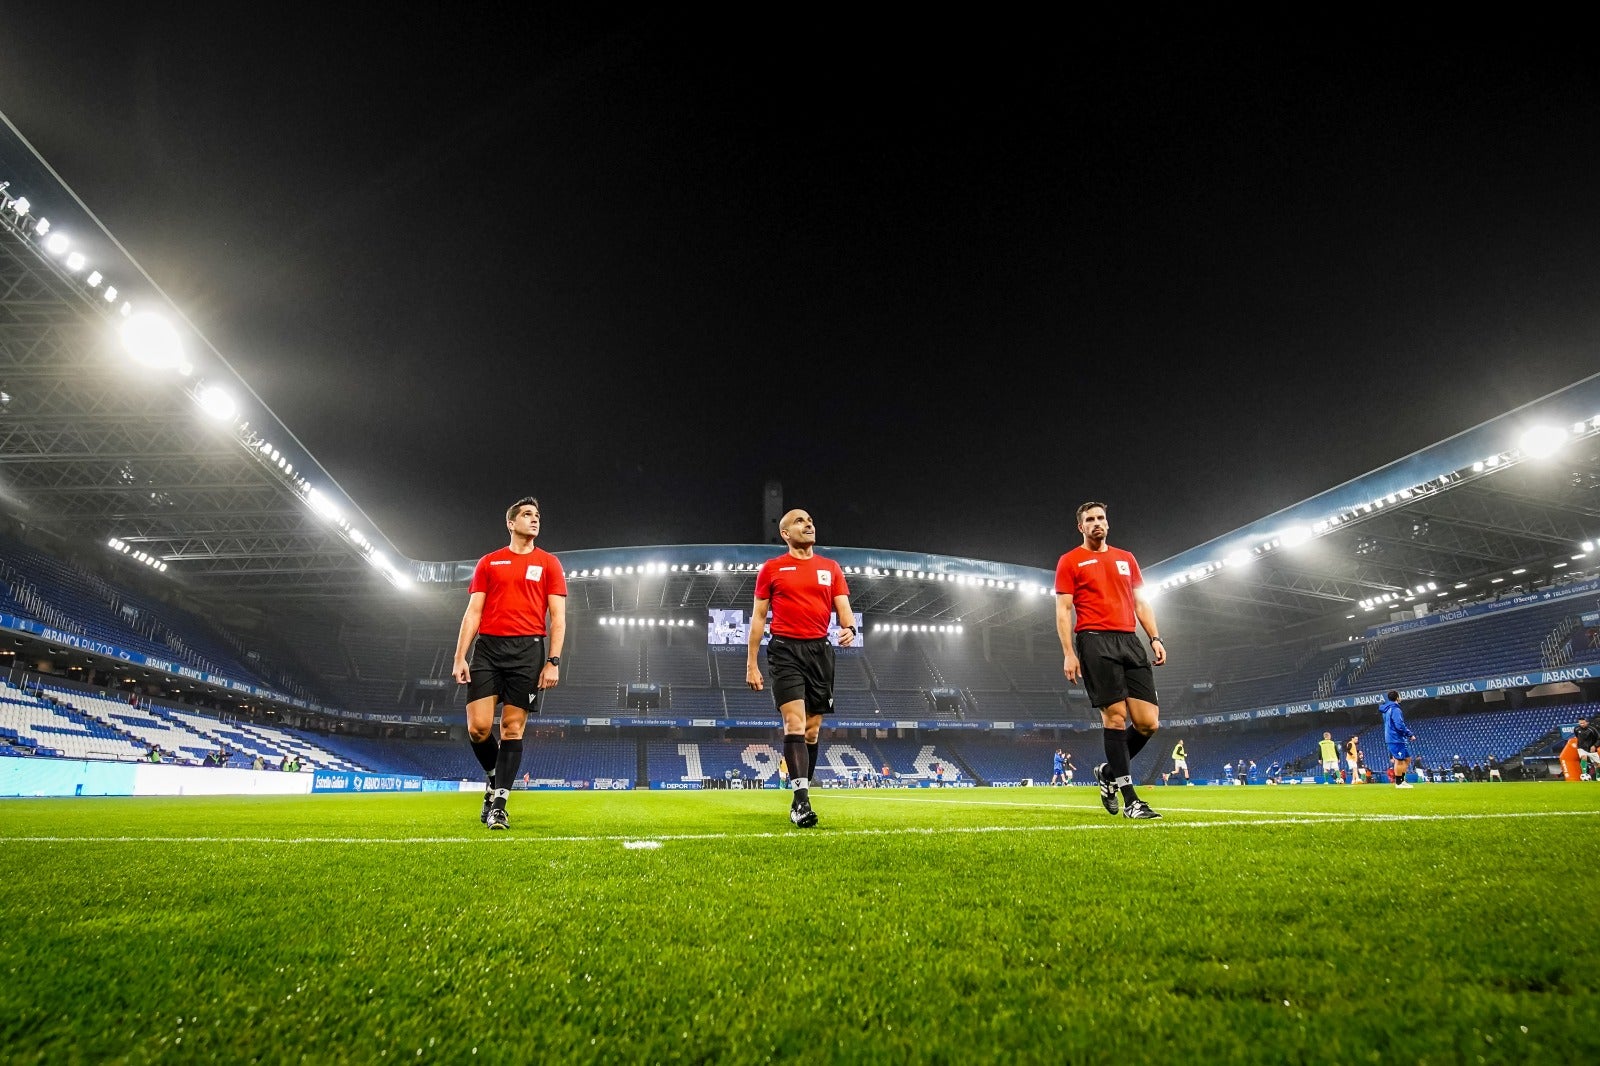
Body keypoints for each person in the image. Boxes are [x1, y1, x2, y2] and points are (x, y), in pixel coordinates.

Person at [452, 496, 568, 831]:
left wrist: (553, 661)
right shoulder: (489, 562)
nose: (535, 520)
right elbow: (474, 612)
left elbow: (558, 619)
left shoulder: (549, 564)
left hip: (528, 651)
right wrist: (460, 655)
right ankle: (492, 778)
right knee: (479, 728)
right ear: (510, 522)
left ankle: (499, 804)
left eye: (537, 515)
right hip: (488, 649)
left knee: (512, 728)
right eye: (527, 515)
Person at [1055, 501, 1165, 820]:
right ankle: (1131, 800)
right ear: (1081, 527)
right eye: (1089, 520)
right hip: (1093, 640)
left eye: (1101, 517)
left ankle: (1108, 773)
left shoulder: (1126, 558)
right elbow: (1063, 611)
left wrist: (1155, 637)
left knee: (1148, 723)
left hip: (1129, 640)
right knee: (1115, 718)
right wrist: (1068, 653)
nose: (1096, 523)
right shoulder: (1070, 561)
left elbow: (1141, 603)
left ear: (1108, 522)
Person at [747, 509, 857, 829]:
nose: (808, 524)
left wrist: (849, 627)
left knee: (811, 730)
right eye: (799, 521)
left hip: (820, 651)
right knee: (793, 723)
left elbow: (844, 608)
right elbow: (758, 619)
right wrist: (752, 664)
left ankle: (799, 797)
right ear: (785, 534)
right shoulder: (772, 569)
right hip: (784, 651)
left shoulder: (830, 568)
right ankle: (802, 802)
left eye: (810, 520)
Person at [1380, 690, 1417, 789]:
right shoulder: (1395, 709)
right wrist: (1409, 734)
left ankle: (1402, 780)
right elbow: (1399, 725)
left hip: (1394, 737)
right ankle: (1399, 782)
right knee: (1399, 760)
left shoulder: (1387, 709)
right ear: (1397, 697)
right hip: (1395, 738)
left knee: (1407, 759)